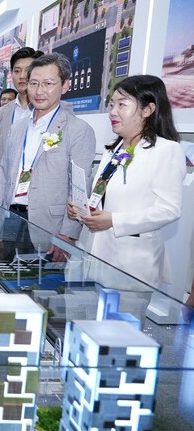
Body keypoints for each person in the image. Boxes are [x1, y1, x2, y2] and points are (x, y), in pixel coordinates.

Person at [68, 75, 185, 292]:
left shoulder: (166, 150)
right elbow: (105, 197)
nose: (113, 112)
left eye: (122, 105)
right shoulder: (113, 151)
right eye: (112, 104)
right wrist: (83, 209)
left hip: (131, 265)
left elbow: (169, 210)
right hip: (95, 256)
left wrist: (115, 221)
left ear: (148, 109)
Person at [0, 53, 96, 262]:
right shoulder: (18, 127)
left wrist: (68, 234)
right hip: (10, 218)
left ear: (65, 85)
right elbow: (3, 174)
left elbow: (79, 187)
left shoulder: (78, 130)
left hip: (50, 227)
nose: (39, 91)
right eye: (34, 83)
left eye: (48, 83)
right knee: (4, 277)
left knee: (43, 282)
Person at [0, 47, 44, 165]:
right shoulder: (1, 113)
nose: (22, 76)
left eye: (28, 70)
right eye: (17, 71)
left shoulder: (49, 109)